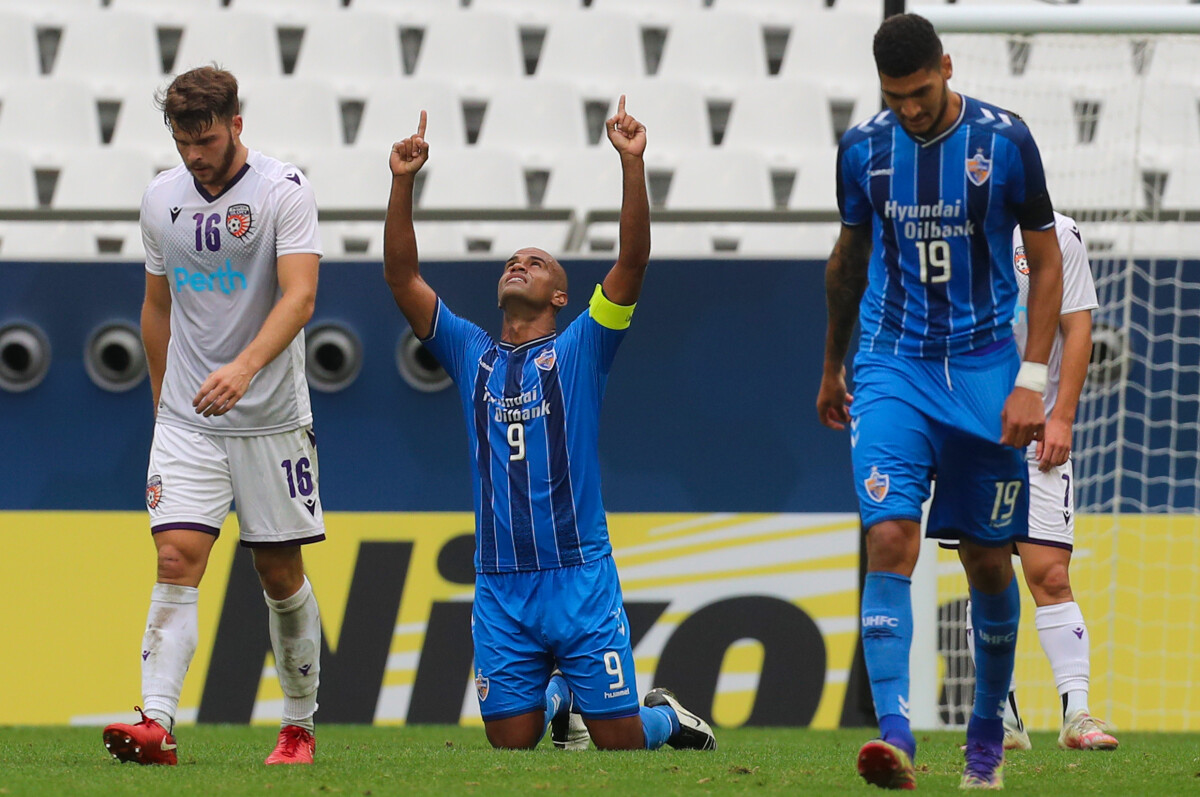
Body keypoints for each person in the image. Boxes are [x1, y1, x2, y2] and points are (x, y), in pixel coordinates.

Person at [382, 98, 715, 753]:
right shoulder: (469, 350)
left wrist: (631, 164)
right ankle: (559, 694)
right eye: (512, 261)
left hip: (579, 574)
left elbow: (633, 262)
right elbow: (401, 276)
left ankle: (667, 716)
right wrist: (402, 181)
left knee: (620, 740)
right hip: (501, 581)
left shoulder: (582, 346)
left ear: (560, 296)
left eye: (534, 263)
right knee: (512, 741)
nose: (518, 264)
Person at [816, 14, 1064, 790]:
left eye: (920, 92)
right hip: (893, 364)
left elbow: (1048, 259)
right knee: (890, 540)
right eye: (896, 98)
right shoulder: (863, 150)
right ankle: (895, 736)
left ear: (946, 67)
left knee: (990, 560)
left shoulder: (1006, 140)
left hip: (989, 370)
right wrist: (833, 362)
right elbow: (850, 258)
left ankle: (986, 734)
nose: (910, 109)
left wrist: (1032, 378)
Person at [102, 66, 325, 766]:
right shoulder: (160, 199)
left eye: (204, 137)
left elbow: (300, 297)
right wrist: (165, 403)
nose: (193, 153)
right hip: (188, 421)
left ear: (235, 124)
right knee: (174, 557)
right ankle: (157, 722)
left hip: (269, 415)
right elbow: (157, 307)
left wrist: (244, 367)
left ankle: (297, 723)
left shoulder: (283, 192)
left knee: (277, 573)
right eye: (181, 139)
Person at [961, 213, 1117, 753]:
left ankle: (1078, 715)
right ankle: (1000, 719)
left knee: (1049, 572)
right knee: (986, 572)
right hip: (971, 430)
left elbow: (1078, 326)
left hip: (1037, 431)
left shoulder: (1058, 232)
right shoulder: (951, 227)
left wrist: (1063, 417)